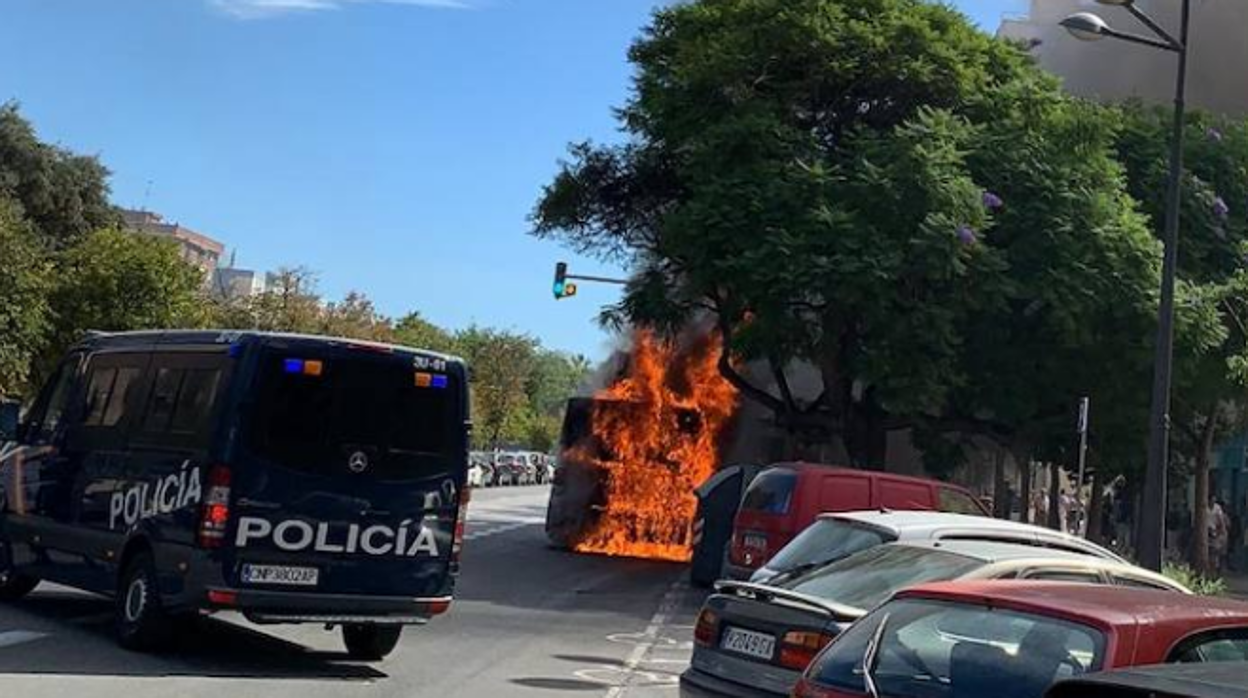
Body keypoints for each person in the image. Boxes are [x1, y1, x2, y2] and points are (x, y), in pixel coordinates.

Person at [1209, 497, 1230, 574]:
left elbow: (1224, 524)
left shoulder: (1219, 511)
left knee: (1218, 553)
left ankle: (1217, 569)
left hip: (1218, 534)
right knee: (1215, 553)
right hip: (1212, 533)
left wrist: (1221, 531)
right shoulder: (1207, 509)